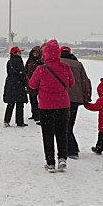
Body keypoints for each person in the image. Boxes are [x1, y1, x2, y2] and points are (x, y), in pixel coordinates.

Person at [29, 40, 75, 173]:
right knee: (62, 133)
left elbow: (32, 85)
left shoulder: (41, 69)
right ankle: (62, 159)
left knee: (47, 134)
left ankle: (50, 163)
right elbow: (71, 83)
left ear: (46, 54)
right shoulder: (65, 67)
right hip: (63, 105)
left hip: (46, 106)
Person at [60, 46, 92, 159]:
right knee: (70, 124)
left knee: (63, 126)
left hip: (61, 98)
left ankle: (71, 149)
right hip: (76, 98)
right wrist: (87, 96)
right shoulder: (78, 64)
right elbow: (85, 81)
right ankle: (72, 148)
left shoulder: (58, 63)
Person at [3, 46, 29, 127]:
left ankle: (6, 120)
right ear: (15, 53)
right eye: (19, 52)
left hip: (10, 84)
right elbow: (22, 74)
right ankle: (19, 121)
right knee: (19, 104)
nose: (20, 54)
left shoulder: (9, 61)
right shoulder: (18, 61)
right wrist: (26, 83)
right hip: (18, 85)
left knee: (10, 104)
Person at [25, 46, 43, 123]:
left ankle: (38, 115)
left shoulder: (41, 61)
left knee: (38, 100)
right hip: (30, 82)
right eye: (34, 53)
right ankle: (34, 114)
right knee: (32, 99)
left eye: (36, 53)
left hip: (39, 83)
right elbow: (26, 70)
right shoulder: (30, 61)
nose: (35, 54)